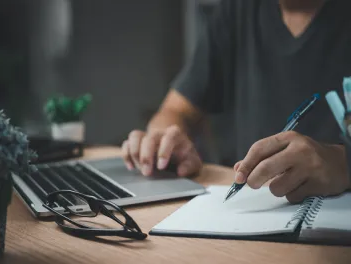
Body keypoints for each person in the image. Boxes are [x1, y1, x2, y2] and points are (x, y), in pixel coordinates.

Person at [122, 0, 351, 203]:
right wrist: (165, 141)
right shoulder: (238, 9)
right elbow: (175, 109)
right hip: (246, 203)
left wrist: (343, 163)